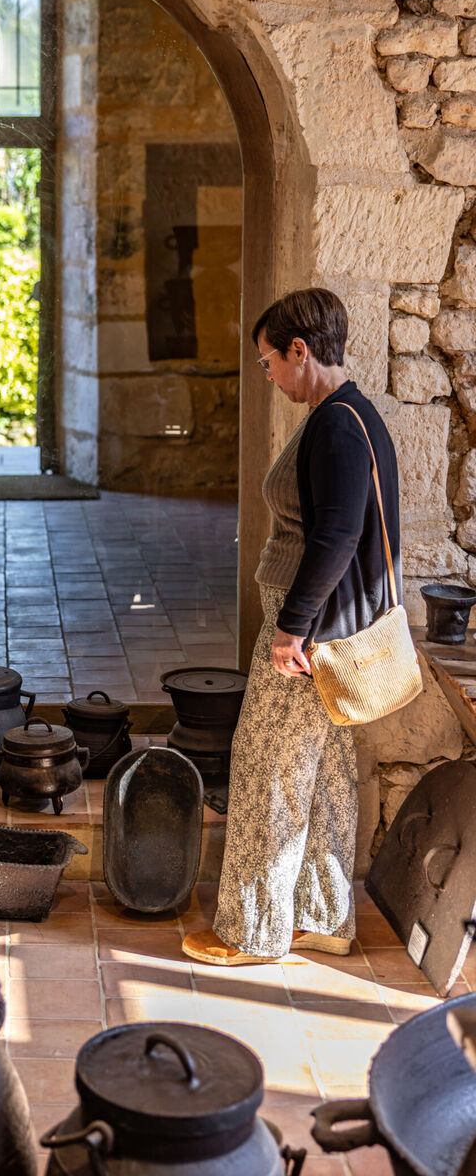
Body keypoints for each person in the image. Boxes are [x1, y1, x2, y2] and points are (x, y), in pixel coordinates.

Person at [182, 287, 401, 966]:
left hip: (308, 632)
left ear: (300, 351)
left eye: (269, 361)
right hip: (332, 629)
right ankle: (324, 915)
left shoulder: (335, 424)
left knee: (266, 768)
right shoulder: (354, 414)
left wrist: (291, 628)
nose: (267, 375)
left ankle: (252, 930)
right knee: (328, 772)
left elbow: (335, 535)